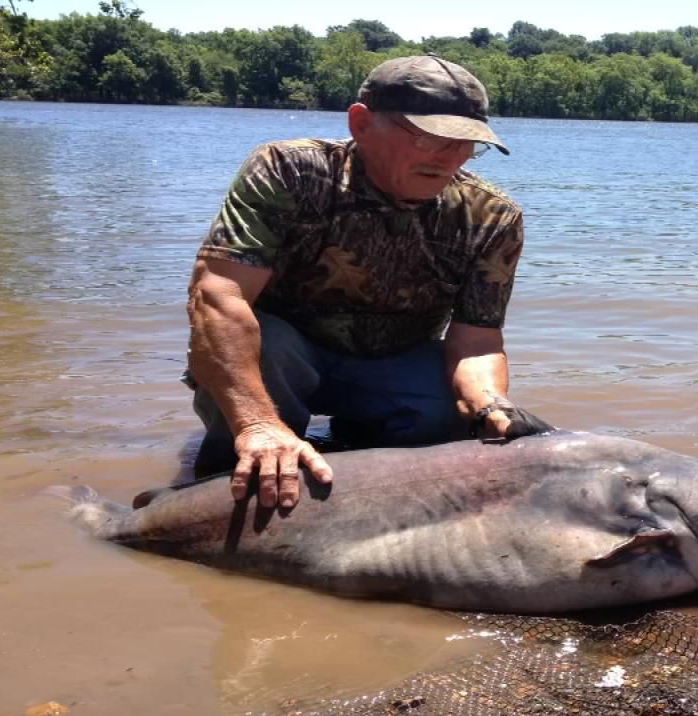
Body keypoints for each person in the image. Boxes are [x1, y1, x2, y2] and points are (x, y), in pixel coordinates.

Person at [185, 55, 550, 510]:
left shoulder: (492, 216)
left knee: (447, 409)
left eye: (466, 143)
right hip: (285, 358)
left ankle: (356, 458)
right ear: (361, 123)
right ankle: (227, 483)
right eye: (430, 137)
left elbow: (476, 341)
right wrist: (258, 423)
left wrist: (490, 407)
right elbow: (218, 296)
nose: (449, 158)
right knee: (268, 348)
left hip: (392, 362)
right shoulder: (288, 170)